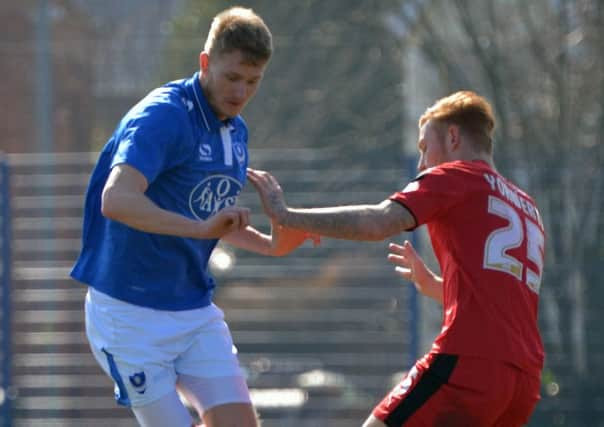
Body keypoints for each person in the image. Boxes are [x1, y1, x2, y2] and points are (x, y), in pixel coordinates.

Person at [71, 7, 316, 427]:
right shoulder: (163, 116)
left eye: (252, 82)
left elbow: (208, 218)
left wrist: (273, 245)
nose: (240, 92)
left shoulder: (235, 132)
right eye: (231, 77)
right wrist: (201, 229)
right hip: (127, 315)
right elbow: (116, 200)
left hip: (191, 308)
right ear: (205, 63)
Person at [247, 91, 545, 426]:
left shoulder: (456, 176)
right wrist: (434, 285)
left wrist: (288, 216)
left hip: (468, 365)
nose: (421, 164)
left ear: (452, 136)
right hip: (523, 380)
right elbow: (499, 298)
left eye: (423, 147)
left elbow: (379, 221)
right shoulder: (526, 206)